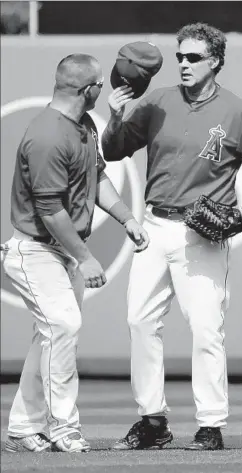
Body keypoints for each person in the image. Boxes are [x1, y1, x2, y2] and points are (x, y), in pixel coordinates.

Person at [101, 23, 242, 451]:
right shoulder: (157, 101)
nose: (183, 63)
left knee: (206, 330)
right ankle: (152, 420)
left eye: (193, 57)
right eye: (180, 56)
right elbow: (114, 150)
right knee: (140, 322)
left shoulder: (236, 111)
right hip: (155, 228)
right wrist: (117, 117)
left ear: (215, 61)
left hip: (201, 236)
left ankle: (210, 425)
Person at [2, 53, 149, 453]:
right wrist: (86, 257)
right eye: (100, 83)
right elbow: (50, 211)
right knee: (63, 327)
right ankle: (64, 426)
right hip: (35, 251)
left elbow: (98, 176)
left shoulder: (81, 124)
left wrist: (126, 218)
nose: (105, 88)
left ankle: (21, 427)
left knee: (51, 338)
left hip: (58, 254)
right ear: (87, 90)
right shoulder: (48, 135)